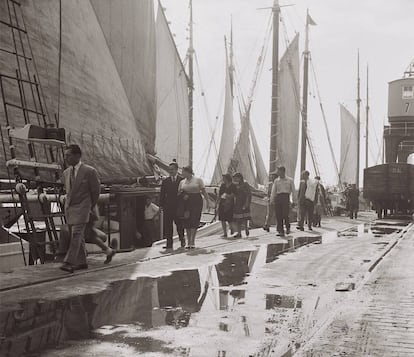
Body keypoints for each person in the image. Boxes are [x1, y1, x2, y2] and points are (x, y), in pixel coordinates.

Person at [60, 144, 101, 273]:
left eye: (69, 155)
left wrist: (90, 205)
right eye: (65, 155)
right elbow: (68, 191)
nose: (66, 158)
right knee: (78, 236)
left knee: (76, 235)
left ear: (78, 155)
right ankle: (82, 262)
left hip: (83, 208)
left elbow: (96, 191)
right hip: (70, 209)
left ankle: (68, 262)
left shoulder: (89, 171)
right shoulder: (66, 173)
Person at [177, 166, 210, 249]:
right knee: (187, 221)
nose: (182, 173)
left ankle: (192, 241)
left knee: (194, 220)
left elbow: (204, 191)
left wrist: (208, 202)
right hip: (186, 202)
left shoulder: (198, 180)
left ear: (188, 172)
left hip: (196, 201)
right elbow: (179, 193)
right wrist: (183, 196)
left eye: (183, 172)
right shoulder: (182, 182)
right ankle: (188, 242)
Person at [160, 161, 185, 250]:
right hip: (168, 207)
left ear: (176, 170)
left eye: (172, 169)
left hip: (178, 207)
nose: (170, 171)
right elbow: (162, 194)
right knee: (168, 226)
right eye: (169, 169)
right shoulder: (166, 181)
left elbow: (184, 193)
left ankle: (182, 240)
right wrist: (161, 205)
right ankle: (169, 244)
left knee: (179, 225)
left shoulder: (182, 180)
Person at [270, 166, 295, 237]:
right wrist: (272, 200)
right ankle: (280, 230)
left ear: (282, 171)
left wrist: (294, 201)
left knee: (285, 214)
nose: (277, 173)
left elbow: (293, 191)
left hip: (286, 198)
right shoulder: (276, 181)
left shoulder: (290, 180)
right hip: (278, 198)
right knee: (278, 215)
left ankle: (287, 228)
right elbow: (273, 191)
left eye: (278, 171)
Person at [232, 173, 252, 238]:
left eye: (236, 178)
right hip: (238, 203)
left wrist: (247, 203)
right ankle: (239, 233)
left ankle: (246, 228)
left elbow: (248, 194)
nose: (235, 179)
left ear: (240, 178)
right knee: (238, 218)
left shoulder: (245, 184)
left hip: (244, 202)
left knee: (245, 217)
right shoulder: (236, 185)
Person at [218, 174, 236, 238]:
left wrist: (228, 196)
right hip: (222, 203)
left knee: (229, 218)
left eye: (224, 178)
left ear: (227, 178)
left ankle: (232, 228)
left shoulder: (233, 185)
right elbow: (220, 194)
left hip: (230, 203)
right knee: (222, 218)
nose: (223, 180)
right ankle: (225, 233)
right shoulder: (222, 185)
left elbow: (234, 194)